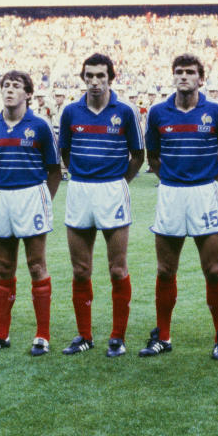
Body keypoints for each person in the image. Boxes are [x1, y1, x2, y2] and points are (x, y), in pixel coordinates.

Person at [142, 54, 218, 359]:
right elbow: (152, 157)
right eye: (179, 72)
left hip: (204, 195)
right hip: (171, 194)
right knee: (166, 269)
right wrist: (171, 177)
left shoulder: (216, 112)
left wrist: (207, 178)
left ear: (201, 79)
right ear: (173, 77)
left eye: (190, 72)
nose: (184, 76)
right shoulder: (158, 113)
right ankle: (163, 336)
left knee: (213, 270)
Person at [58, 54, 144, 357]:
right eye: (90, 76)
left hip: (112, 191)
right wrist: (83, 175)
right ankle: (84, 336)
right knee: (81, 270)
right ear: (83, 78)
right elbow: (64, 153)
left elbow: (138, 155)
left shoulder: (126, 111)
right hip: (80, 191)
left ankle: (117, 337)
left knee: (117, 269)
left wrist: (118, 182)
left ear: (111, 78)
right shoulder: (70, 112)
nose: (95, 81)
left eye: (101, 76)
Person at [0, 70, 61, 356]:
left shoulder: (39, 126)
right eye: (6, 85)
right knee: (4, 267)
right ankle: (1, 334)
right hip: (0, 197)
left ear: (28, 94)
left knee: (36, 266)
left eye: (16, 86)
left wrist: (41, 201)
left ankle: (42, 335)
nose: (9, 90)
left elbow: (54, 171)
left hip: (31, 197)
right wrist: (4, 191)